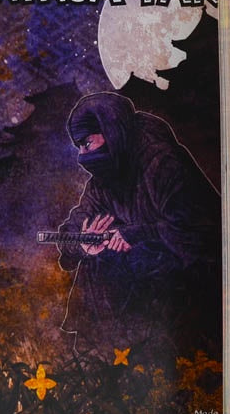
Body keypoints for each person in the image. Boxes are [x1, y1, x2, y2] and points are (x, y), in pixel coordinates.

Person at [56, 91, 221, 368]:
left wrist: (136, 235)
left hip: (189, 274)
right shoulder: (104, 177)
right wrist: (83, 241)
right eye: (79, 147)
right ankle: (103, 363)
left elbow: (199, 233)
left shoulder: (162, 163)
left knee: (140, 262)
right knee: (95, 263)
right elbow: (72, 228)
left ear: (109, 131)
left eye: (87, 143)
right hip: (139, 274)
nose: (83, 155)